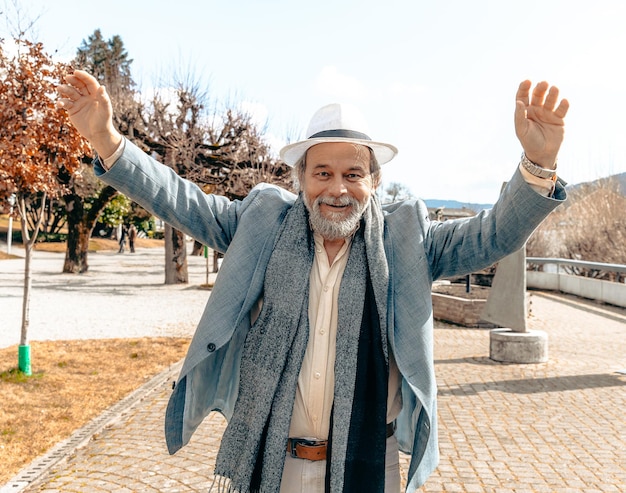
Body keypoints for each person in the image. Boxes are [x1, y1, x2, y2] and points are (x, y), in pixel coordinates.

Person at [57, 70, 568, 492]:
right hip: (272, 463)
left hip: (372, 464)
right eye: (322, 173)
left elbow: (492, 235)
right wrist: (106, 140)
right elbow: (182, 200)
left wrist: (538, 165)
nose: (338, 189)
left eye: (353, 174)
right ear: (300, 179)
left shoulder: (405, 238)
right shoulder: (264, 223)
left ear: (374, 182)